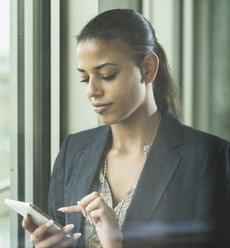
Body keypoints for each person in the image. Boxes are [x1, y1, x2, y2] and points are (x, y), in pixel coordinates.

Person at [22, 9, 230, 248]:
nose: (92, 90)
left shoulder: (209, 157)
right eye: (84, 78)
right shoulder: (73, 151)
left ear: (148, 68)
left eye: (106, 75)